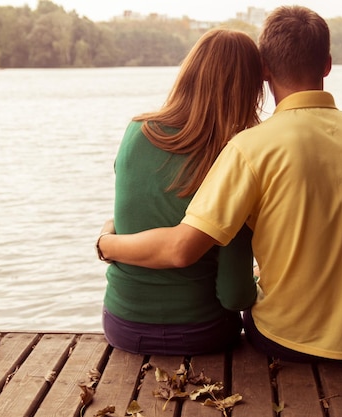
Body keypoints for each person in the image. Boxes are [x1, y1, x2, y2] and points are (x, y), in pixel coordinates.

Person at [97, 6, 342, 362]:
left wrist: (107, 244)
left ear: (265, 70)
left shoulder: (248, 147)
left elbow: (184, 249)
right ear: (327, 65)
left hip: (290, 341)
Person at [97, 28, 265, 356]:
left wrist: (106, 242)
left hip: (120, 325)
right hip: (201, 332)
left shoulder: (136, 130)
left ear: (188, 72)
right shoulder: (234, 156)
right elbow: (235, 296)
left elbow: (132, 212)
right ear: (250, 89)